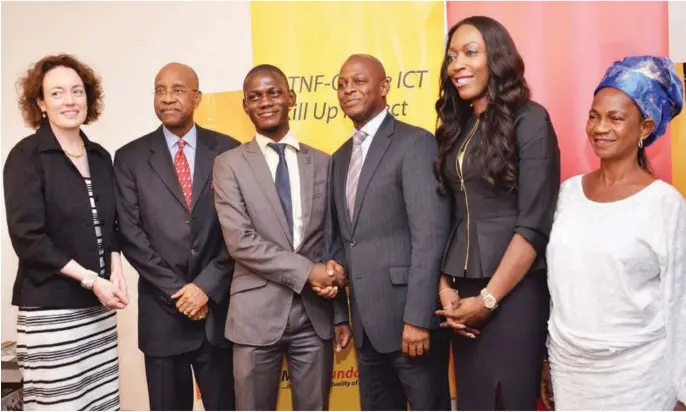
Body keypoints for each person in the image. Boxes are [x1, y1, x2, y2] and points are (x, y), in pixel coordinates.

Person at [541, 56, 686, 411]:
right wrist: (545, 357)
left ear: (645, 128)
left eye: (615, 118)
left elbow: (680, 302)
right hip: (571, 371)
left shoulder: (665, 204)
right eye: (594, 115)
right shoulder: (567, 194)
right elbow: (556, 288)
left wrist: (683, 392)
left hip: (639, 377)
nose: (599, 127)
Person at [433, 16, 561, 410]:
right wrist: (445, 287)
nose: (457, 65)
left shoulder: (530, 119)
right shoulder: (456, 127)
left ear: (498, 59)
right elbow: (448, 215)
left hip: (514, 292)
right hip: (463, 295)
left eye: (471, 53)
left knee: (509, 400)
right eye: (452, 56)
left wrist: (489, 299)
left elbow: (534, 224)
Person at [212, 64, 351, 411]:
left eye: (273, 92)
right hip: (254, 318)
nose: (265, 102)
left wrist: (338, 313)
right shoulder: (228, 164)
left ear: (291, 97)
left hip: (314, 317)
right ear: (245, 106)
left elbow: (332, 239)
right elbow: (240, 241)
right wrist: (308, 272)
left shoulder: (323, 161)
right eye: (255, 96)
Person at [4, 54, 128, 410]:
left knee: (101, 404)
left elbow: (111, 226)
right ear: (41, 103)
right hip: (51, 313)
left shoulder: (101, 156)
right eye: (57, 93)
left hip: (99, 311)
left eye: (77, 91)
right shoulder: (26, 157)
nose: (70, 101)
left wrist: (115, 271)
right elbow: (29, 240)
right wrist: (92, 279)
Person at [328, 54, 452, 410]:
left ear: (384, 87)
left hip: (409, 325)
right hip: (366, 328)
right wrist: (340, 313)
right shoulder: (339, 158)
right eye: (342, 83)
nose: (348, 89)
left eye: (358, 81)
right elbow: (342, 241)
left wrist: (418, 319)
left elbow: (429, 237)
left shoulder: (415, 143)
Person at [114, 62, 239, 411]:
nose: (167, 98)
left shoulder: (229, 151)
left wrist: (205, 287)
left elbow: (240, 230)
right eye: (160, 90)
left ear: (197, 97)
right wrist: (179, 292)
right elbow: (130, 233)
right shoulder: (129, 158)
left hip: (217, 314)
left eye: (178, 90)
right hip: (162, 316)